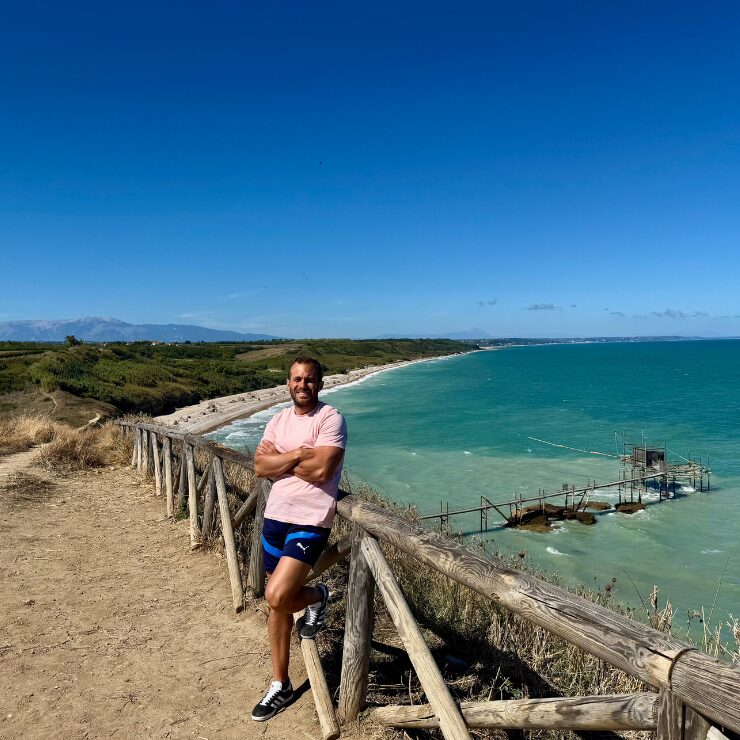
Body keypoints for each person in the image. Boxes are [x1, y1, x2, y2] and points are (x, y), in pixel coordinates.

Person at [250, 356, 347, 722]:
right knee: (275, 604)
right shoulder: (278, 419)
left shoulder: (330, 419)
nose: (302, 385)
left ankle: (319, 596)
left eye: (309, 379)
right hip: (275, 517)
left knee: (276, 594)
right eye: (296, 379)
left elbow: (323, 468)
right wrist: (296, 455)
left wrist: (281, 460)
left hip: (310, 520)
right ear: (288, 383)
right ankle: (281, 684)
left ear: (320, 383)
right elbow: (260, 467)